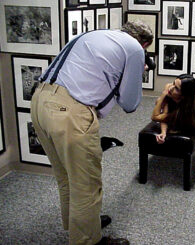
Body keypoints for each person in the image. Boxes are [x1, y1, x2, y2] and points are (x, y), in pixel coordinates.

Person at [30, 21, 153, 245]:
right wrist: (137, 71)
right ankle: (88, 241)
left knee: (66, 176)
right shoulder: (135, 49)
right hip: (70, 112)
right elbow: (129, 103)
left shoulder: (94, 34)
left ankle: (81, 224)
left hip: (40, 102)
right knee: (86, 184)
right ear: (144, 44)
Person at [151, 74, 195, 144]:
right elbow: (162, 114)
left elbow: (156, 117)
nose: (171, 88)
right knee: (159, 101)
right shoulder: (169, 87)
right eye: (173, 83)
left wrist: (163, 96)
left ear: (184, 96)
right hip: (186, 96)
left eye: (176, 88)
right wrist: (163, 132)